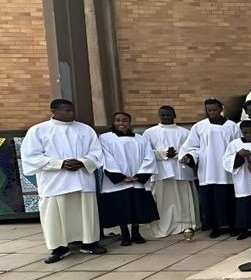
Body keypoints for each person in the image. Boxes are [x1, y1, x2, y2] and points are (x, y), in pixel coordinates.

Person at [21, 99, 108, 263]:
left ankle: (88, 242)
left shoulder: (85, 129)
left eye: (72, 110)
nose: (71, 114)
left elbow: (96, 152)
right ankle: (59, 247)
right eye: (66, 111)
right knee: (54, 215)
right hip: (54, 181)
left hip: (82, 178)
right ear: (53, 111)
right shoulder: (38, 131)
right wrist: (60, 164)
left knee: (85, 213)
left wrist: (83, 161)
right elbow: (31, 156)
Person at [180, 98, 239, 238]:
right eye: (209, 110)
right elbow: (192, 147)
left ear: (221, 108)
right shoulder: (199, 127)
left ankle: (232, 225)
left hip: (227, 170)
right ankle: (215, 227)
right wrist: (189, 157)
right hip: (208, 170)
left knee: (229, 199)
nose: (212, 112)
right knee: (210, 201)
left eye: (215, 109)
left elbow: (237, 145)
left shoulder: (232, 126)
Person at [99, 111, 158, 246]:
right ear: (113, 122)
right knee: (120, 207)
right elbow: (105, 157)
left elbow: (149, 157)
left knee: (136, 206)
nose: (121, 123)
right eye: (118, 120)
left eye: (124, 120)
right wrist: (119, 176)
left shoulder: (140, 139)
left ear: (129, 123)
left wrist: (140, 175)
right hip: (117, 181)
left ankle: (136, 232)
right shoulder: (105, 138)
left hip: (136, 179)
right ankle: (125, 233)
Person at [145, 106, 198, 239]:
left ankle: (185, 225)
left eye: (168, 114)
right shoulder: (150, 132)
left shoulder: (185, 132)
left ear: (174, 115)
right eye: (162, 115)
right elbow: (144, 152)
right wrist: (163, 153)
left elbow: (192, 149)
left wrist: (181, 154)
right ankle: (163, 227)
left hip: (181, 170)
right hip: (161, 172)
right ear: (159, 115)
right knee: (163, 202)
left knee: (184, 200)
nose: (165, 117)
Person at [223, 120, 251, 240]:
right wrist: (239, 156)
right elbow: (227, 161)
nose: (248, 135)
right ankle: (246, 228)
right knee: (245, 203)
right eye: (245, 133)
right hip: (242, 179)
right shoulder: (234, 144)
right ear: (241, 132)